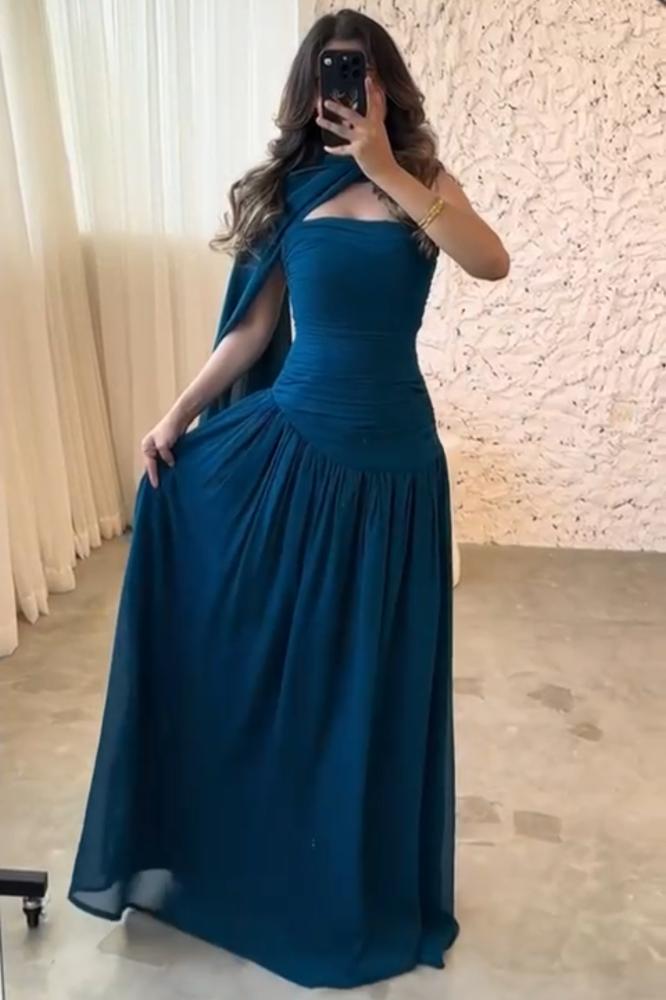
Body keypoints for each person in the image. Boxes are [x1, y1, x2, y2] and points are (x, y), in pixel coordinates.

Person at [68, 8, 509, 990]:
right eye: (327, 73)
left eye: (357, 72)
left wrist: (389, 168)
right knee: (289, 664)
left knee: (375, 674)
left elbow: (491, 261)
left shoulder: (424, 180)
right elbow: (253, 331)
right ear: (309, 89)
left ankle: (354, 870)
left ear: (384, 84)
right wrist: (175, 417)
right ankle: (264, 848)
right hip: (298, 450)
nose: (340, 90)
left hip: (397, 467)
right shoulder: (289, 193)